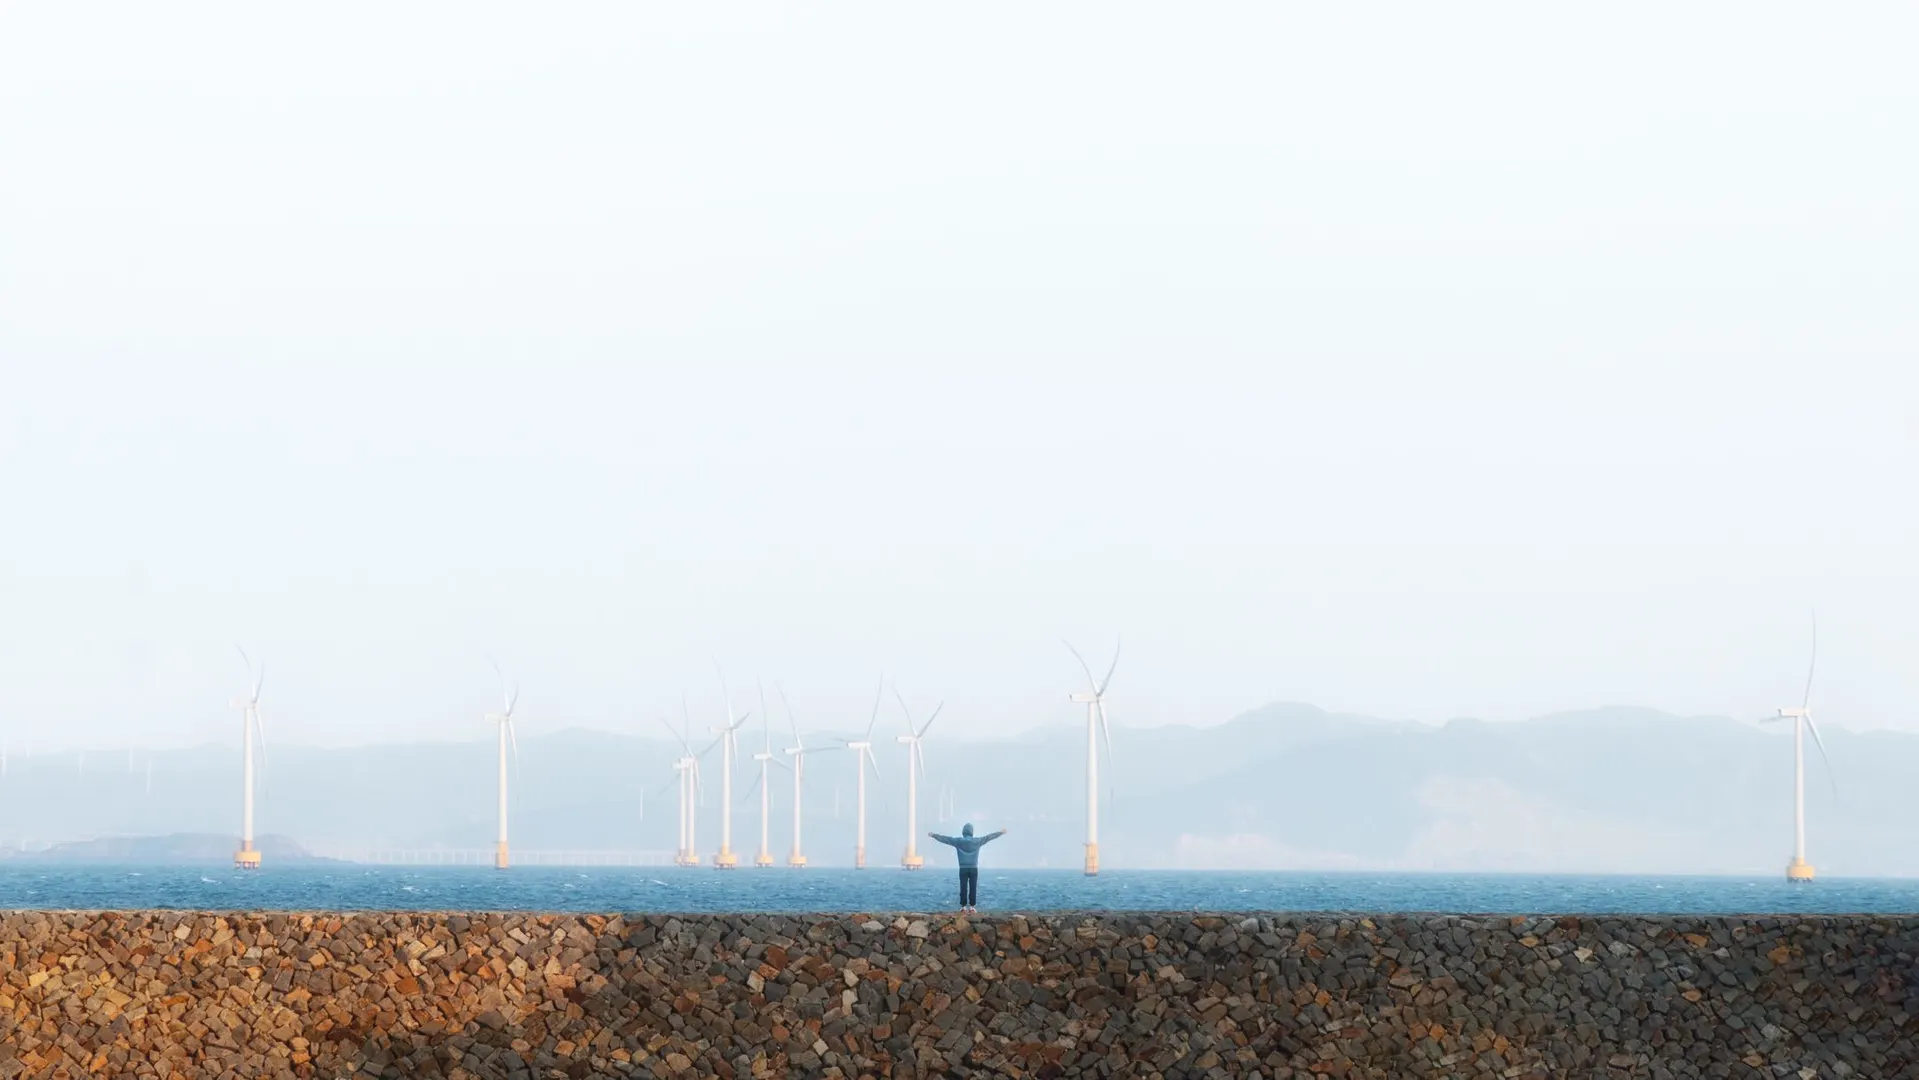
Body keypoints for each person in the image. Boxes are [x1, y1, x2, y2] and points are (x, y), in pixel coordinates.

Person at [929, 822, 1005, 913]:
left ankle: (963, 907)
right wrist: (1001, 832)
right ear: (972, 832)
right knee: (973, 887)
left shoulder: (958, 841)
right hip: (973, 868)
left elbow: (945, 839)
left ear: (963, 832)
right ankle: (972, 907)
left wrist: (934, 835)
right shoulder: (978, 841)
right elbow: (989, 837)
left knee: (963, 887)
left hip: (963, 868)